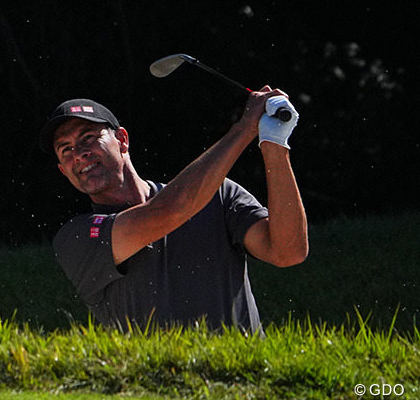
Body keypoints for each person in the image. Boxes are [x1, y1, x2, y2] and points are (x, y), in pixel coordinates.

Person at [39, 89, 308, 333]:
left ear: (122, 140)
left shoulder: (219, 194)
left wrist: (274, 145)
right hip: (156, 386)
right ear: (64, 170)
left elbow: (288, 251)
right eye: (66, 150)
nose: (79, 153)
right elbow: (169, 211)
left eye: (88, 137)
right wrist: (244, 129)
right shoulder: (76, 237)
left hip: (244, 380)